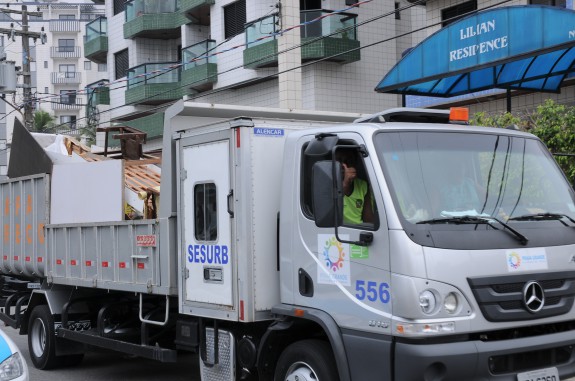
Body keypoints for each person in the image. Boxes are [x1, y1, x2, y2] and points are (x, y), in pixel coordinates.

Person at [336, 149, 375, 225]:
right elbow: (329, 211)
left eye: (348, 160)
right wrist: (345, 184)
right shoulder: (326, 182)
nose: (344, 165)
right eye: (339, 161)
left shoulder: (362, 185)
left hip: (358, 230)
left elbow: (369, 221)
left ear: (354, 163)